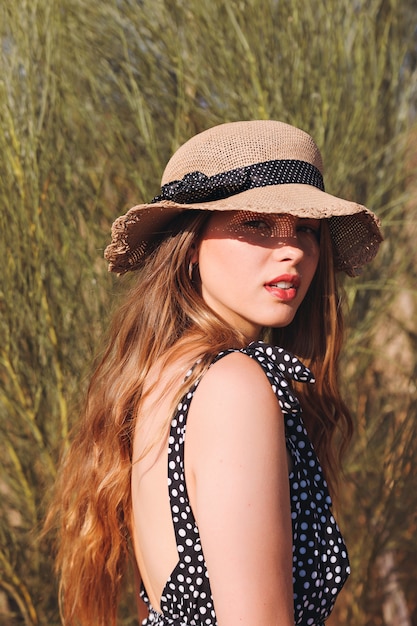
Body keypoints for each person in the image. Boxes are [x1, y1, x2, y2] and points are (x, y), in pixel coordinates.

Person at [48, 120, 382, 626]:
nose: (292, 249)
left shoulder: (164, 378)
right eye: (257, 224)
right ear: (190, 246)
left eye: (307, 230)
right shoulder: (234, 388)